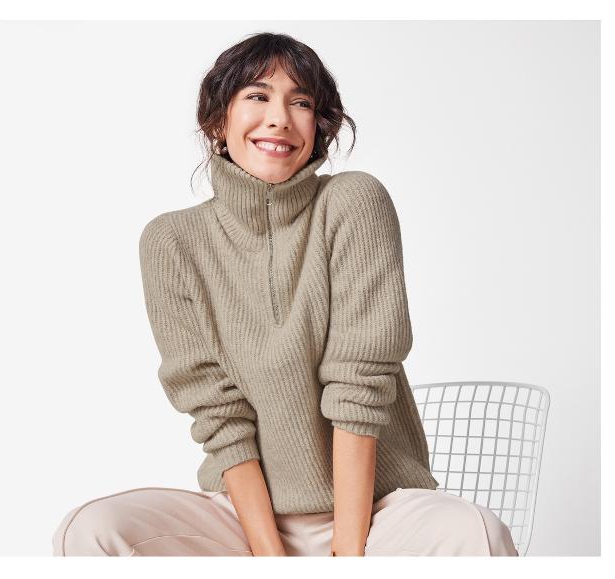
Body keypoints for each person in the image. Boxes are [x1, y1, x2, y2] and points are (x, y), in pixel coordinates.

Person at [52, 31, 519, 557]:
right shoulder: (171, 241)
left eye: (301, 102)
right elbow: (219, 416)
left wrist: (348, 551)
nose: (279, 117)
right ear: (216, 120)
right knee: (91, 529)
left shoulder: (352, 203)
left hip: (377, 513)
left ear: (317, 127)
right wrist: (272, 560)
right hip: (244, 520)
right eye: (257, 95)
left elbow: (357, 389)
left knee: (473, 532)